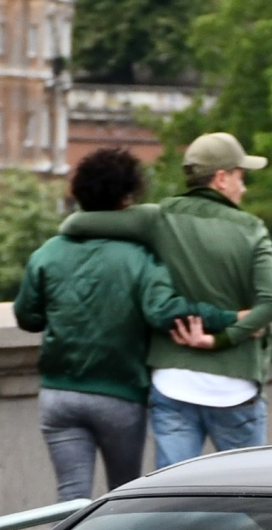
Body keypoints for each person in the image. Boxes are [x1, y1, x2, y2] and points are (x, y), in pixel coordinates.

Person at [12, 148, 238, 502]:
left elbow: (27, 316)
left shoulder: (48, 252)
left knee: (69, 502)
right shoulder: (140, 259)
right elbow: (166, 313)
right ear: (127, 199)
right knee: (123, 499)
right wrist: (229, 318)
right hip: (119, 396)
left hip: (58, 394)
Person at [59, 132, 272, 468]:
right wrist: (223, 337)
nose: (245, 187)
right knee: (251, 496)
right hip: (235, 387)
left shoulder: (158, 218)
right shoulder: (251, 229)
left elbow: (75, 223)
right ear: (221, 178)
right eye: (241, 176)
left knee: (171, 501)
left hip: (173, 383)